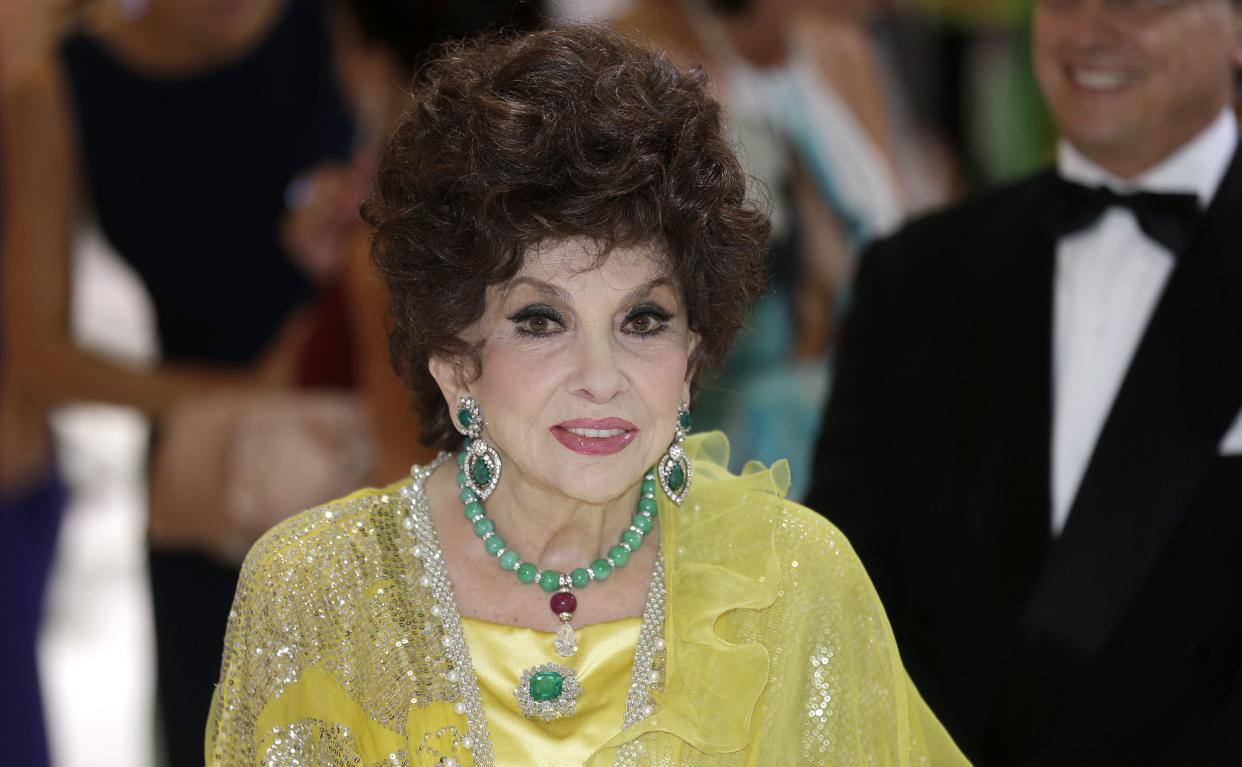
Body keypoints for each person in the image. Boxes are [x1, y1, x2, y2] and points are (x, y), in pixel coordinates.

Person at [206, 25, 969, 766]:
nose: (601, 377)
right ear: (453, 359)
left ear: (694, 350)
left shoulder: (792, 584)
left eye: (643, 320)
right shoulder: (314, 589)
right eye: (541, 321)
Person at [807, 0, 1242, 764]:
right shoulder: (912, 278)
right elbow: (845, 591)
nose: (1090, 29)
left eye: (1138, 2)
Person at [0, 0, 352, 763]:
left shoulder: (342, 26)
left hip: (369, 441)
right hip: (204, 482)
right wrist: (253, 396)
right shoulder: (60, 86)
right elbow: (38, 356)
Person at [613, 0, 905, 497]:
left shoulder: (843, 52)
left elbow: (894, 239)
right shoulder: (632, 52)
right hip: (728, 442)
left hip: (873, 411)